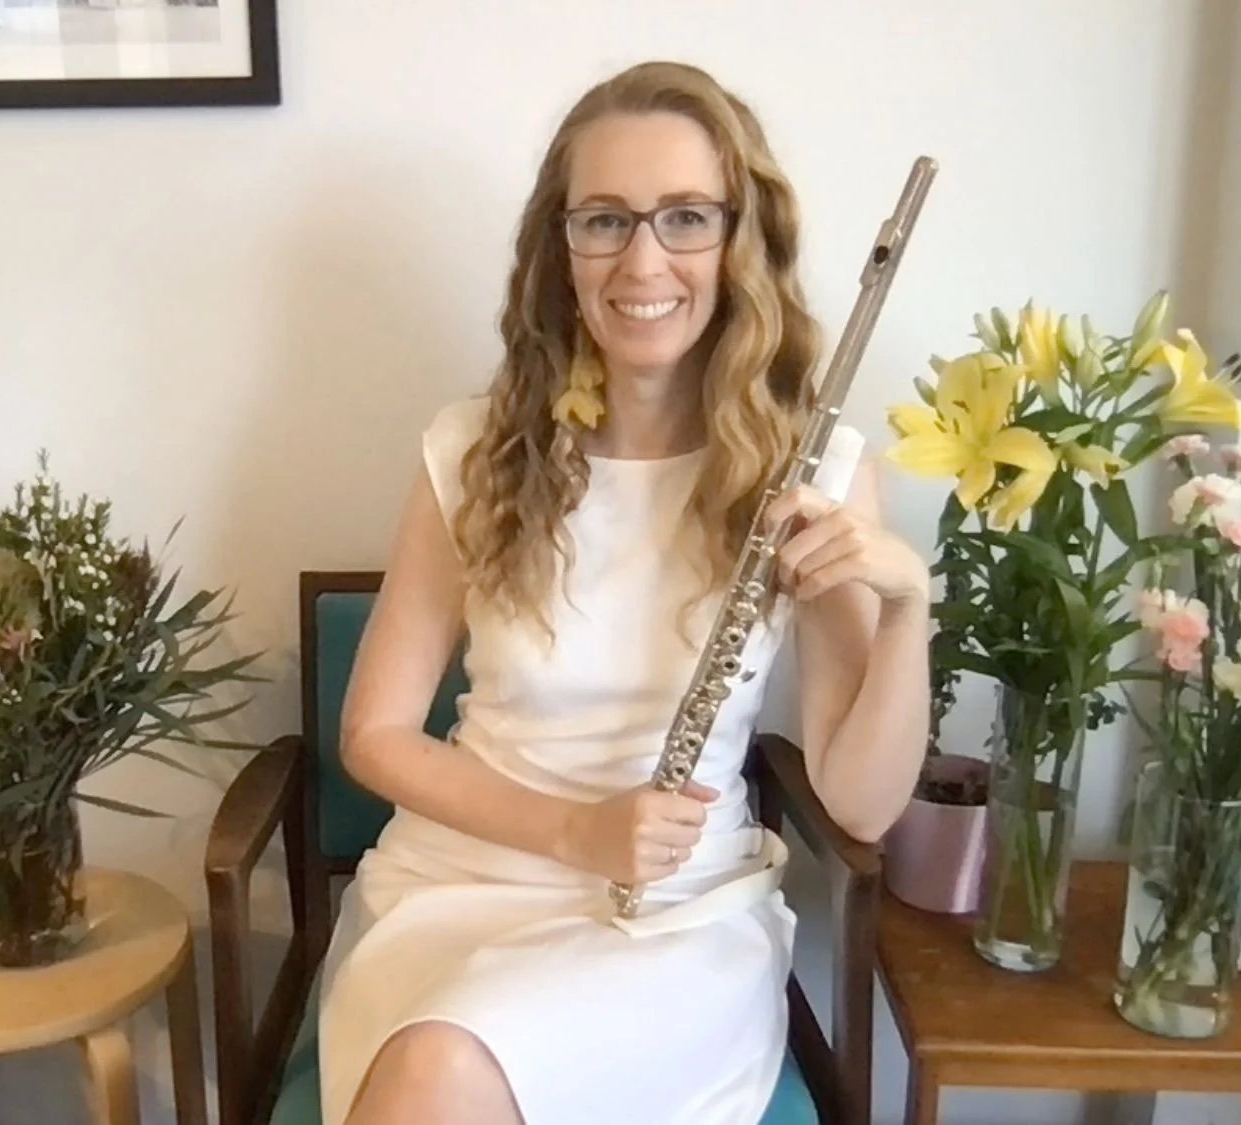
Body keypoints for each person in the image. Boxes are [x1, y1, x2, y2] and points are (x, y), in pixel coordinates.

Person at [317, 60, 932, 1125]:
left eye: (687, 217)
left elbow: (863, 800)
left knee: (435, 1077)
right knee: (433, 1064)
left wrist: (909, 607)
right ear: (561, 245)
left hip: (675, 921)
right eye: (605, 220)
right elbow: (373, 736)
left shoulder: (816, 470)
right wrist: (573, 833)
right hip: (459, 891)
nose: (644, 259)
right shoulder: (475, 450)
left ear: (741, 239)